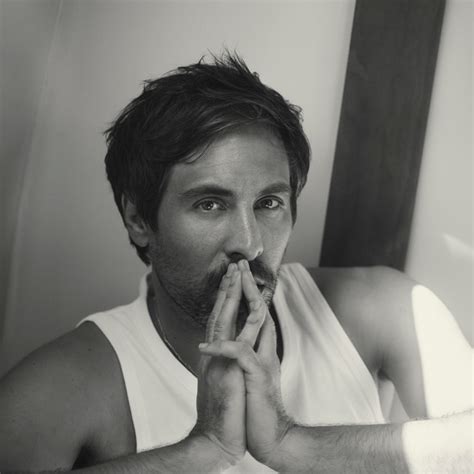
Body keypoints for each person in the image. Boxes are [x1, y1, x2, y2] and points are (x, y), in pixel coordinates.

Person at [0, 53, 471, 473]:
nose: (249, 243)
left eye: (269, 203)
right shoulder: (65, 384)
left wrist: (293, 446)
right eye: (210, 204)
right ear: (138, 219)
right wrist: (202, 450)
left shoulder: (382, 306)